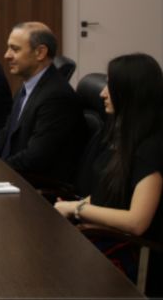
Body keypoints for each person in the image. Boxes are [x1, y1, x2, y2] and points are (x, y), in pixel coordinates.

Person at [54, 53, 163, 292]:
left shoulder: (151, 148)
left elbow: (137, 222)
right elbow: (107, 193)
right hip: (104, 236)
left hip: (131, 252)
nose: (103, 93)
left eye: (111, 87)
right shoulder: (120, 135)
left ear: (131, 94)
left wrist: (77, 209)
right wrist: (74, 207)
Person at [0, 22, 86, 183]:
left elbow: (35, 157)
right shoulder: (27, 86)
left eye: (15, 49)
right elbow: (7, 131)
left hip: (33, 185)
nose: (6, 55)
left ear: (40, 52)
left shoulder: (56, 97)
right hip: (13, 174)